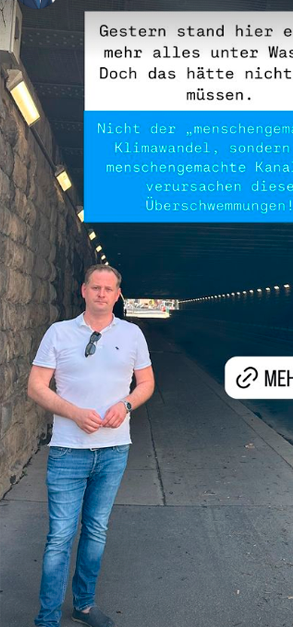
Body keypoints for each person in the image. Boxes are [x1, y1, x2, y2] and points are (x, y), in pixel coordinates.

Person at [28, 264, 155, 627]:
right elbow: (36, 386)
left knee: (96, 530)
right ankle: (47, 618)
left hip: (114, 450)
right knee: (60, 537)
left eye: (109, 289)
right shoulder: (59, 333)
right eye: (95, 287)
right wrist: (73, 412)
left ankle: (83, 606)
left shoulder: (132, 335)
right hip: (68, 450)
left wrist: (126, 404)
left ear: (118, 295)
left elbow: (145, 383)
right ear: (83, 291)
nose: (102, 294)